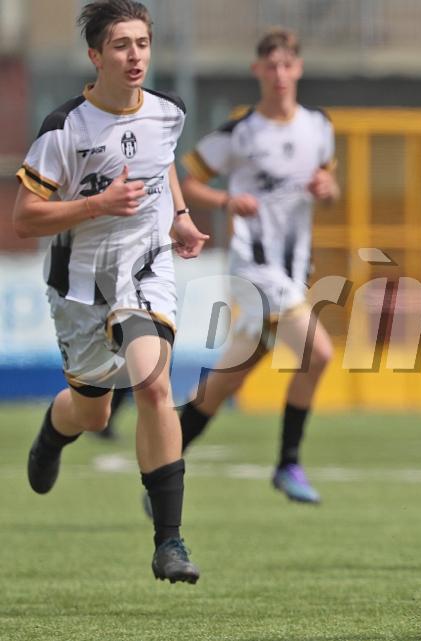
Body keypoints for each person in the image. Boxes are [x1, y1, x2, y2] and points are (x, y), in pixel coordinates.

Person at [13, 0, 208, 583]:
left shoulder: (168, 112)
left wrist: (179, 215)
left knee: (153, 383)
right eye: (121, 45)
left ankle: (169, 542)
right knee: (93, 413)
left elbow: (162, 161)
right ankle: (53, 434)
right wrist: (98, 204)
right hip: (80, 282)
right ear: (96, 56)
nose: (135, 56)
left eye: (142, 43)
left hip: (146, 268)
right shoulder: (64, 129)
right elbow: (24, 218)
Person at [176, 28, 339, 503]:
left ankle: (164, 461)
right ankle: (288, 463)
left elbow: (328, 185)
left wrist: (329, 189)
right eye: (271, 66)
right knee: (319, 353)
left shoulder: (318, 126)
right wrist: (226, 200)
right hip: (255, 268)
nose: (279, 74)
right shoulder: (241, 132)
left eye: (287, 65)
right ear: (257, 71)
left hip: (294, 269)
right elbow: (187, 182)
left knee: (229, 378)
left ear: (298, 69)